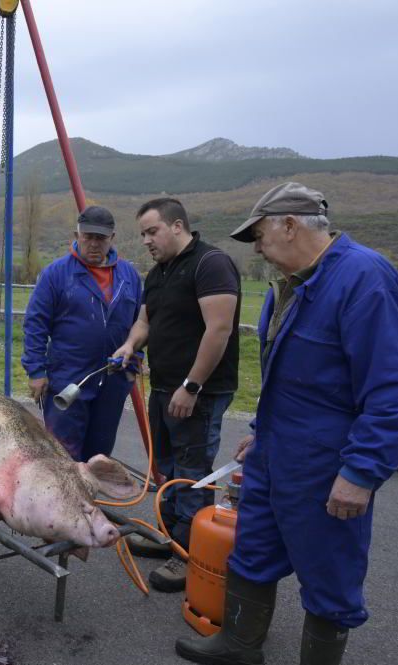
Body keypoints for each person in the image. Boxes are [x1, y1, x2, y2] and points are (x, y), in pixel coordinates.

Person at [175, 182, 398, 665]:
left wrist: (361, 473)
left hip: (328, 461)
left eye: (262, 235)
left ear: (290, 225)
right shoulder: (287, 287)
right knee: (253, 549)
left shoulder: (364, 278)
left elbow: (394, 389)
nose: (260, 249)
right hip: (275, 453)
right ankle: (240, 645)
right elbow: (290, 379)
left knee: (330, 575)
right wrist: (261, 434)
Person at [111, 197, 241, 593]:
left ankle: (189, 554)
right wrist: (130, 345)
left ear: (178, 226)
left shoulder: (211, 264)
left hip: (197, 392)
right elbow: (146, 321)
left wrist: (191, 386)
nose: (147, 240)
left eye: (152, 231)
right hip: (165, 386)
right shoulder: (159, 272)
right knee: (166, 467)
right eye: (143, 234)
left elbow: (218, 330)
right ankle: (166, 536)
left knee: (192, 471)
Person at [21, 206, 142, 461]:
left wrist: (135, 362)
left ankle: (88, 500)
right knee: (62, 453)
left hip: (113, 377)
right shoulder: (56, 274)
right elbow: (36, 324)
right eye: (88, 236)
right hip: (68, 376)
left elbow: (140, 323)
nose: (94, 244)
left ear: (113, 238)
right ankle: (61, 501)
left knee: (99, 453)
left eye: (101, 238)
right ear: (76, 235)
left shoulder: (129, 276)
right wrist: (36, 371)